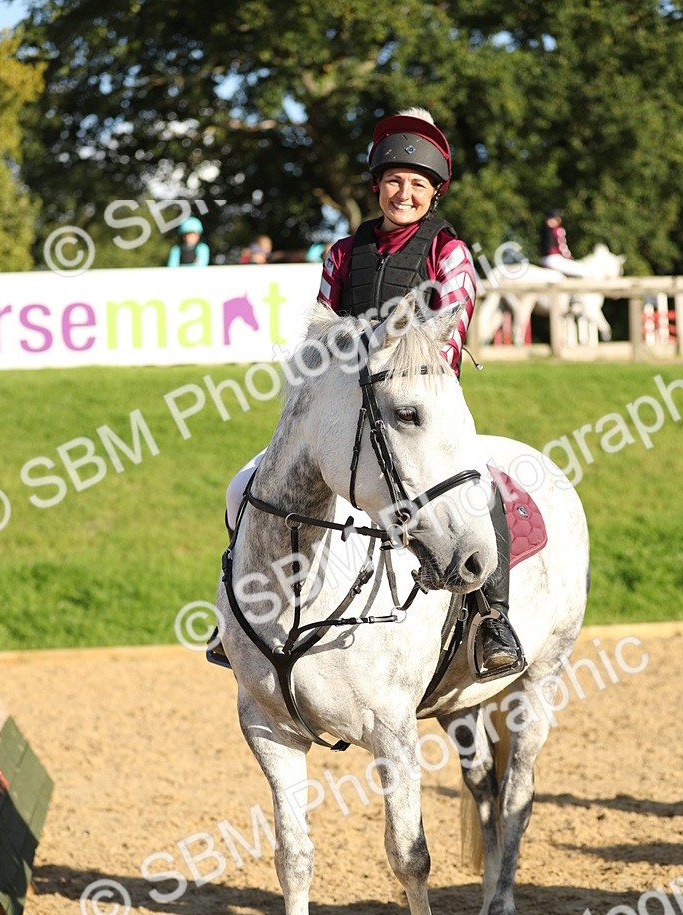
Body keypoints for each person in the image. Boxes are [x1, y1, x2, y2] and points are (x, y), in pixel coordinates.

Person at [212, 109, 521, 674]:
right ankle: (239, 618)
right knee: (243, 487)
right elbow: (319, 335)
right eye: (395, 182)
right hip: (348, 405)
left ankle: (492, 618)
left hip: (422, 397)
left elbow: (451, 329)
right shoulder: (340, 253)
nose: (405, 193)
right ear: (377, 186)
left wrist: (400, 377)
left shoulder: (448, 252)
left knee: (480, 490)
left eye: (418, 185)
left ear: (434, 194)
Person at [539, 209, 587, 277]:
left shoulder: (544, 229)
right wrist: (568, 256)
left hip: (543, 259)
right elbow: (562, 246)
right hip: (553, 258)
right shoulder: (558, 230)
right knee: (582, 271)